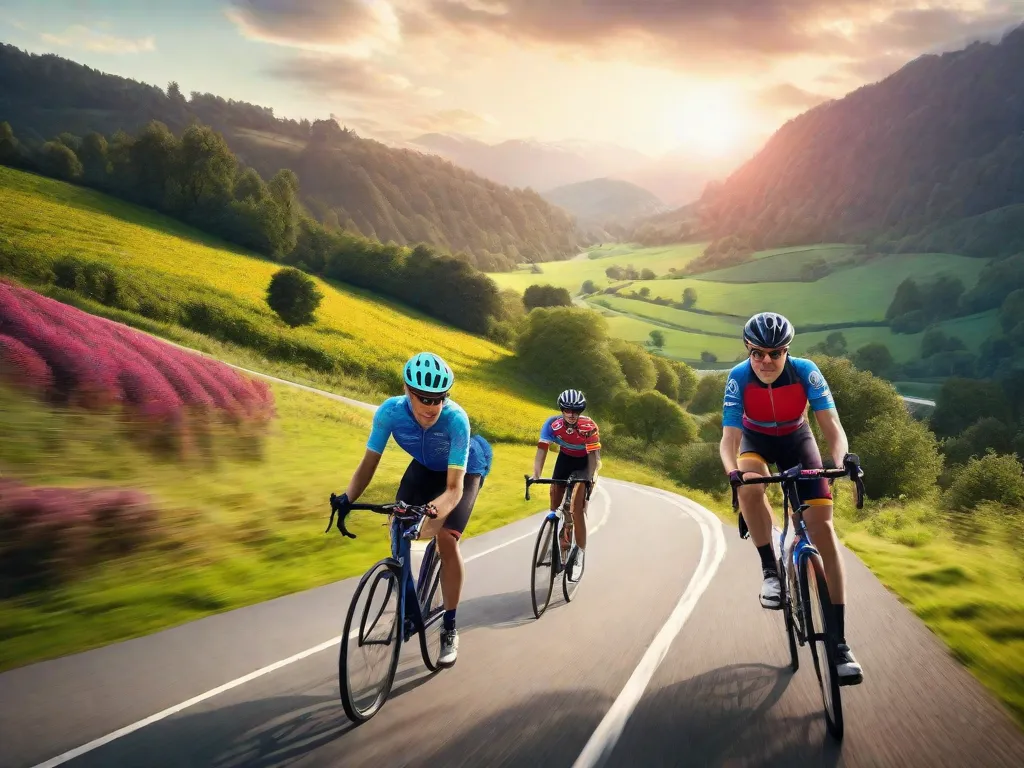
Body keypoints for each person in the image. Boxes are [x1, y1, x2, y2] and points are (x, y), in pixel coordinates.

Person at [719, 312, 863, 685]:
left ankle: (841, 644)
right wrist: (731, 471)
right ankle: (771, 572)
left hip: (799, 442)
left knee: (824, 533)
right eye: (758, 354)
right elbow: (730, 438)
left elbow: (831, 425)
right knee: (750, 485)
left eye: (775, 352)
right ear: (748, 350)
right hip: (756, 443)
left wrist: (842, 459)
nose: (766, 361)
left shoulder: (806, 371)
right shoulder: (738, 377)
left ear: (787, 351)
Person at [332, 352, 492, 667]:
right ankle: (407, 603)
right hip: (423, 467)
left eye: (438, 399)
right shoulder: (390, 413)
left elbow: (454, 489)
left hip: (464, 471)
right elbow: (368, 464)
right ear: (407, 390)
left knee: (446, 538)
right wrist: (347, 499)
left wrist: (432, 510)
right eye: (424, 398)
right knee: (398, 521)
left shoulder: (456, 419)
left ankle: (449, 626)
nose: (432, 406)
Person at [530, 388, 601, 580]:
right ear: (561, 409)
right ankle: (557, 529)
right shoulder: (552, 424)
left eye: (575, 411)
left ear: (581, 411)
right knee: (555, 502)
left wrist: (589, 478)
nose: (571, 414)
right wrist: (536, 475)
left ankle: (579, 554)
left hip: (585, 462)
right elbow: (542, 450)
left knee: (577, 509)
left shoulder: (589, 426)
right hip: (565, 458)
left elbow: (594, 458)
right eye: (567, 410)